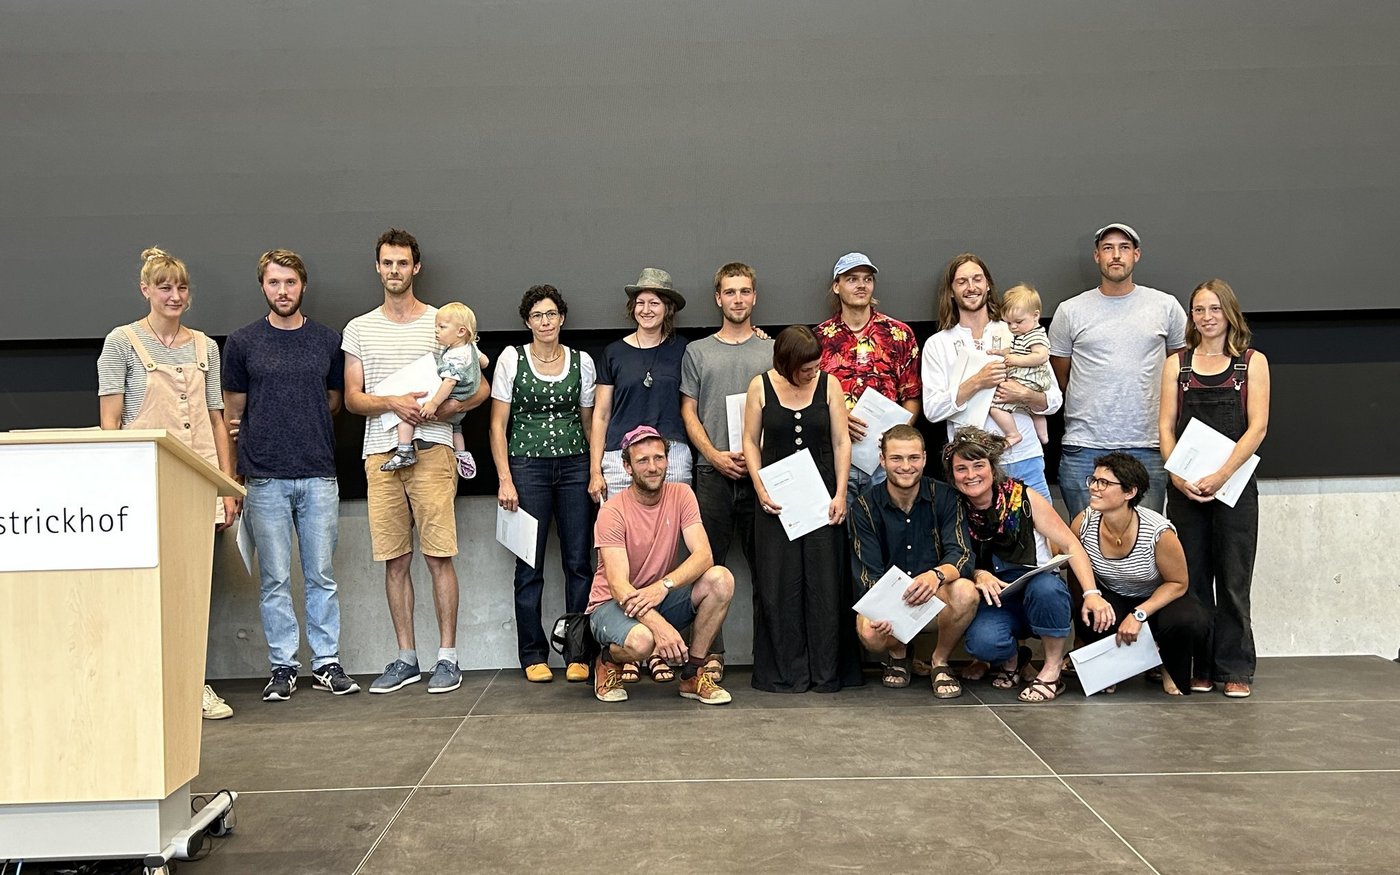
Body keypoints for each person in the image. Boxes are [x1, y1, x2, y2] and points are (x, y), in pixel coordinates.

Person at [343, 228, 489, 695]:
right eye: (387, 262)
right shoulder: (359, 328)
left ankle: (448, 658)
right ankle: (406, 658)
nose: (394, 270)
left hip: (433, 451)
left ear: (415, 267)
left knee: (438, 556)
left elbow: (480, 387)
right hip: (379, 452)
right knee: (395, 560)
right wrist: (393, 402)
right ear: (377, 267)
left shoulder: (442, 321)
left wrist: (443, 409)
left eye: (402, 263)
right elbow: (352, 399)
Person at [98, 246, 239, 719]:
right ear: (146, 290)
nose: (174, 296)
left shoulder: (205, 348)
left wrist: (226, 485)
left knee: (194, 591)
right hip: (145, 484)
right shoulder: (121, 343)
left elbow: (217, 420)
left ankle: (192, 685)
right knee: (146, 589)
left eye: (181, 288)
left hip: (197, 483)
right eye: (164, 287)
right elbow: (110, 422)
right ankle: (145, 687)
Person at [223, 248, 358, 700]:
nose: (283, 291)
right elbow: (234, 412)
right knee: (275, 579)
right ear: (263, 286)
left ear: (303, 286)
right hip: (264, 478)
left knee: (321, 575)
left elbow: (334, 401)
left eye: (290, 282)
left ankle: (327, 663)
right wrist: (236, 475)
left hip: (318, 473)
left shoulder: (326, 340)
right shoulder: (242, 342)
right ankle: (283, 666)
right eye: (274, 283)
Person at [1159, 279, 1270, 698]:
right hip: (1185, 489)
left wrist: (1222, 475)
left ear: (1229, 313)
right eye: (1199, 310)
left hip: (1234, 487)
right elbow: (1165, 427)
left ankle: (1235, 666)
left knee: (1234, 579)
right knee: (1193, 579)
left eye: (1215, 309)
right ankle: (1199, 666)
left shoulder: (1251, 363)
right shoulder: (1177, 365)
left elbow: (1257, 428)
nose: (1207, 317)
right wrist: (1177, 476)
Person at [744, 325, 862, 692]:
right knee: (779, 582)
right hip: (776, 497)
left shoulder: (829, 385)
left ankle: (827, 672)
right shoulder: (759, 386)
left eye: (816, 366)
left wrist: (840, 493)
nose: (813, 372)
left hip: (821, 494)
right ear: (786, 363)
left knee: (825, 581)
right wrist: (759, 485)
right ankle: (784, 671)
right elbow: (750, 440)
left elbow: (841, 441)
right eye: (806, 368)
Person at [490, 285, 597, 684]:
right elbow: (497, 426)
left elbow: (589, 423)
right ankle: (533, 654)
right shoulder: (511, 359)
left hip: (575, 465)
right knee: (528, 565)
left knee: (578, 563)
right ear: (527, 321)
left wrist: (594, 470)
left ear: (562, 318)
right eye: (537, 315)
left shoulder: (582, 361)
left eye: (551, 314)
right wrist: (505, 479)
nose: (545, 321)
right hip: (527, 468)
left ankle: (578, 653)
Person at [945, 427, 1097, 703]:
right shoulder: (952, 507)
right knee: (982, 643)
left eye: (978, 466)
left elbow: (1071, 545)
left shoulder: (1023, 497)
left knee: (1047, 589)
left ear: (992, 467)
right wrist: (978, 573)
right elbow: (951, 555)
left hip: (1037, 588)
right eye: (961, 469)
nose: (971, 475)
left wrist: (1091, 594)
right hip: (996, 598)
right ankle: (1014, 658)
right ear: (952, 475)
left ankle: (1051, 668)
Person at [587, 426, 735, 705]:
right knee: (644, 641)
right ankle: (607, 660)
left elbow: (704, 556)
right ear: (627, 467)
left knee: (721, 579)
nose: (653, 467)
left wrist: (663, 586)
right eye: (642, 460)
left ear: (668, 460)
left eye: (659, 458)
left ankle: (692, 674)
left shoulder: (682, 495)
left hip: (658, 596)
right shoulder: (612, 512)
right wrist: (661, 628)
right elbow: (618, 587)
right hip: (610, 605)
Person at [1049, 223, 1187, 518]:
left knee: (1144, 539)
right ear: (1096, 256)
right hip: (1084, 446)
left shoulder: (1166, 307)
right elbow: (1061, 375)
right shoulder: (1070, 311)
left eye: (1124, 248)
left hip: (1149, 445)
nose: (1116, 255)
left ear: (1136, 255)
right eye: (1108, 248)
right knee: (1084, 539)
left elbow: (1179, 368)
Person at [679, 262, 773, 683]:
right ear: (718, 298)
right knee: (706, 568)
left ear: (755, 297)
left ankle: (768, 656)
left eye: (745, 291)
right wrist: (714, 455)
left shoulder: (772, 351)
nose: (738, 299)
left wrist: (758, 462)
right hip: (711, 473)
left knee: (768, 568)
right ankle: (708, 655)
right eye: (730, 292)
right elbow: (688, 411)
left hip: (763, 477)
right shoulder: (698, 352)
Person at [849, 425, 978, 697]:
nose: (906, 466)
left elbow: (962, 553)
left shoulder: (946, 496)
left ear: (925, 458)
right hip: (891, 598)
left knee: (966, 591)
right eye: (896, 458)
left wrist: (935, 575)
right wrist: (884, 610)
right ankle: (899, 654)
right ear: (882, 460)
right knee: (870, 633)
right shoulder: (864, 506)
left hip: (935, 597)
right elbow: (868, 574)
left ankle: (940, 661)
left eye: (913, 458)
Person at [922, 253, 1061, 504]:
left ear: (987, 285)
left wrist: (1024, 395)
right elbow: (933, 410)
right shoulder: (938, 344)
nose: (971, 287)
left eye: (977, 279)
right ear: (951, 291)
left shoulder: (1016, 329)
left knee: (1040, 528)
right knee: (979, 530)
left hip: (1024, 457)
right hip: (972, 466)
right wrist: (977, 382)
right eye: (962, 281)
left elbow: (1053, 400)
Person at [1071, 453, 1210, 695]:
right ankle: (1112, 667)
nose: (1093, 488)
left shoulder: (1158, 531)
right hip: (1113, 596)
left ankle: (1167, 664)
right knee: (1088, 606)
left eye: (1104, 483)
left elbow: (1178, 583)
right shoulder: (1084, 521)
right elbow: (1065, 554)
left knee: (1185, 619)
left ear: (1129, 492)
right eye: (1093, 480)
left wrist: (1139, 614)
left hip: (1156, 600)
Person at [815, 252, 921, 500]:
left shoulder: (898, 334)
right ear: (836, 286)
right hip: (836, 457)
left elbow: (912, 395)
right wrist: (836, 418)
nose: (861, 285)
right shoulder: (819, 338)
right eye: (852, 279)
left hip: (884, 462)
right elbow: (805, 397)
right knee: (840, 522)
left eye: (867, 279)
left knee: (887, 521)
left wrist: (897, 436)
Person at [381, 301, 485, 479]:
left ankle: (404, 450)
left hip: (450, 398)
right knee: (456, 428)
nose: (436, 331)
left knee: (407, 411)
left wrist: (433, 404)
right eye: (436, 326)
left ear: (461, 331)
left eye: (442, 327)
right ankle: (461, 454)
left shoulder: (454, 356)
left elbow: (449, 383)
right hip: (462, 405)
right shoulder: (471, 348)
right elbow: (485, 362)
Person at [987, 284, 1053, 448]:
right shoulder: (1023, 335)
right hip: (1029, 380)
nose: (1013, 327)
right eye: (1009, 323)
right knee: (1033, 409)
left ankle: (1013, 434)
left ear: (1035, 316)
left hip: (1029, 379)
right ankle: (1043, 436)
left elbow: (1041, 356)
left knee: (995, 408)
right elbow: (1013, 350)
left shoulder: (1035, 335)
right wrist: (1000, 352)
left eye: (1018, 322)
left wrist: (1016, 360)